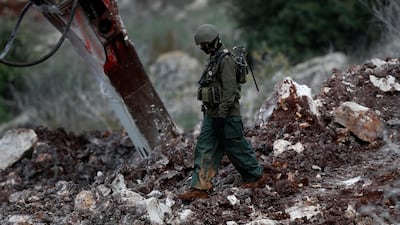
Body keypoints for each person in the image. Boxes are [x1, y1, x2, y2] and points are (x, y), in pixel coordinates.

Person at [178, 24, 266, 201]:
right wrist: (215, 115)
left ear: (211, 42)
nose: (202, 48)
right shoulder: (214, 59)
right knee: (204, 147)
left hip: (227, 115)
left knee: (236, 147)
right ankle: (199, 188)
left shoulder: (225, 60)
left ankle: (256, 177)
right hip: (212, 115)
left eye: (203, 45)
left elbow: (230, 90)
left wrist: (222, 114)